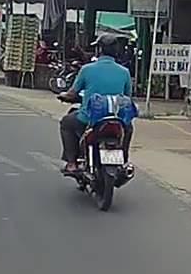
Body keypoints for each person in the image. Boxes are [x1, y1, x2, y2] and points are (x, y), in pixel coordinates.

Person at [58, 33, 135, 174]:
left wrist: (63, 96)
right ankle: (123, 160)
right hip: (117, 119)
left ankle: (71, 163)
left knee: (66, 123)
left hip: (90, 120)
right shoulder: (125, 72)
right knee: (128, 128)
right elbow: (127, 97)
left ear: (99, 50)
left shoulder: (87, 69)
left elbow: (72, 94)